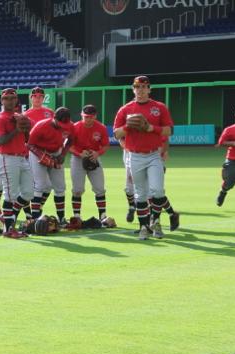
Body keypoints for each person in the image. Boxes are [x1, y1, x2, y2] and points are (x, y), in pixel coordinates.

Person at [114, 75, 178, 240]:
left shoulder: (159, 107)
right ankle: (144, 227)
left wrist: (151, 128)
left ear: (149, 89)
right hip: (134, 156)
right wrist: (128, 126)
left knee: (157, 190)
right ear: (133, 89)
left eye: (144, 87)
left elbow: (169, 130)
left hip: (153, 154)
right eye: (137, 87)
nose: (140, 90)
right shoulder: (125, 109)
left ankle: (155, 221)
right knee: (140, 195)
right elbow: (116, 134)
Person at [0, 88, 33, 238]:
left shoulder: (19, 116)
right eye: (7, 98)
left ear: (16, 100)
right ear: (2, 101)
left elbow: (27, 139)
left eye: (12, 98)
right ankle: (8, 230)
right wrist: (16, 130)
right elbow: (0, 141)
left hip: (22, 157)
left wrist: (26, 129)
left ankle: (9, 218)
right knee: (10, 195)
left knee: (28, 193)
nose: (10, 101)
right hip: (7, 158)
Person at [27, 107, 74, 224]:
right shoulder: (41, 125)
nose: (64, 126)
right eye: (61, 123)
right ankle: (35, 218)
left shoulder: (70, 126)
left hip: (56, 152)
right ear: (54, 118)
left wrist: (63, 154)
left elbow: (70, 140)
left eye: (66, 123)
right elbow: (29, 144)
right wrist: (42, 156)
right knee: (40, 185)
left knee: (60, 187)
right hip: (38, 152)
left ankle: (61, 218)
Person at [70, 105, 110, 221]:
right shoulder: (75, 127)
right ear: (82, 116)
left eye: (91, 117)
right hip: (78, 159)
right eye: (86, 117)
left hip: (94, 158)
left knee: (99, 188)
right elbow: (69, 146)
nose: (88, 119)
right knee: (77, 189)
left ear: (95, 116)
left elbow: (106, 145)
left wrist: (98, 153)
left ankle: (102, 215)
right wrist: (79, 154)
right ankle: (77, 216)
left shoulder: (101, 127)